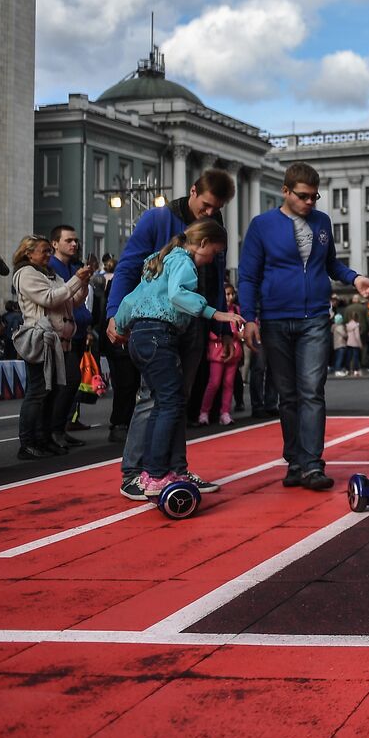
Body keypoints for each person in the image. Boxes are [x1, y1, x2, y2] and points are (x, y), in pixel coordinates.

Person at [239, 161, 369, 491]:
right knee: (287, 396)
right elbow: (248, 276)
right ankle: (295, 462)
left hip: (315, 317)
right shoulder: (262, 226)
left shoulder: (322, 223)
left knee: (312, 391)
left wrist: (355, 277)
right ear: (285, 191)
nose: (310, 203)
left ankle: (313, 465)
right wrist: (248, 318)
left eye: (315, 197)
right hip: (274, 319)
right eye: (303, 196)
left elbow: (331, 264)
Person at [106, 168, 235, 498]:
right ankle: (135, 474)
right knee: (154, 398)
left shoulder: (213, 228)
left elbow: (216, 278)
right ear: (193, 191)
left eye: (216, 208)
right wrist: (113, 315)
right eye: (206, 205)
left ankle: (176, 469)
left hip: (192, 325)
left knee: (177, 400)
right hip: (158, 326)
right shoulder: (157, 220)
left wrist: (221, 327)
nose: (209, 212)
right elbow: (128, 267)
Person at [11, 235, 92, 459]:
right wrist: (76, 279)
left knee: (53, 392)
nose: (48, 255)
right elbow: (49, 298)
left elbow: (70, 301)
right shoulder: (26, 273)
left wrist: (82, 284)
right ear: (29, 253)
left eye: (49, 251)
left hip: (58, 342)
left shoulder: (49, 273)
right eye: (44, 251)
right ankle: (27, 443)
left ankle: (44, 438)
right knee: (38, 392)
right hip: (42, 341)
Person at [46, 226, 94, 447]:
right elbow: (59, 298)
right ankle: (52, 431)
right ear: (55, 243)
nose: (74, 244)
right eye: (68, 240)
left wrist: (83, 283)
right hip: (58, 334)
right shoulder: (50, 268)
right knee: (64, 383)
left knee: (70, 383)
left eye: (75, 241)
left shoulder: (72, 266)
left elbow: (78, 300)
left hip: (75, 330)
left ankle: (58, 429)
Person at [198, 282, 243, 426]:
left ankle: (225, 412)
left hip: (234, 351)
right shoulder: (216, 313)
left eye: (231, 294)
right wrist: (226, 334)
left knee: (229, 384)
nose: (229, 297)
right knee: (214, 383)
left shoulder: (236, 310)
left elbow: (241, 330)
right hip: (217, 352)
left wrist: (236, 334)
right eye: (226, 294)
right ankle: (204, 412)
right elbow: (212, 332)